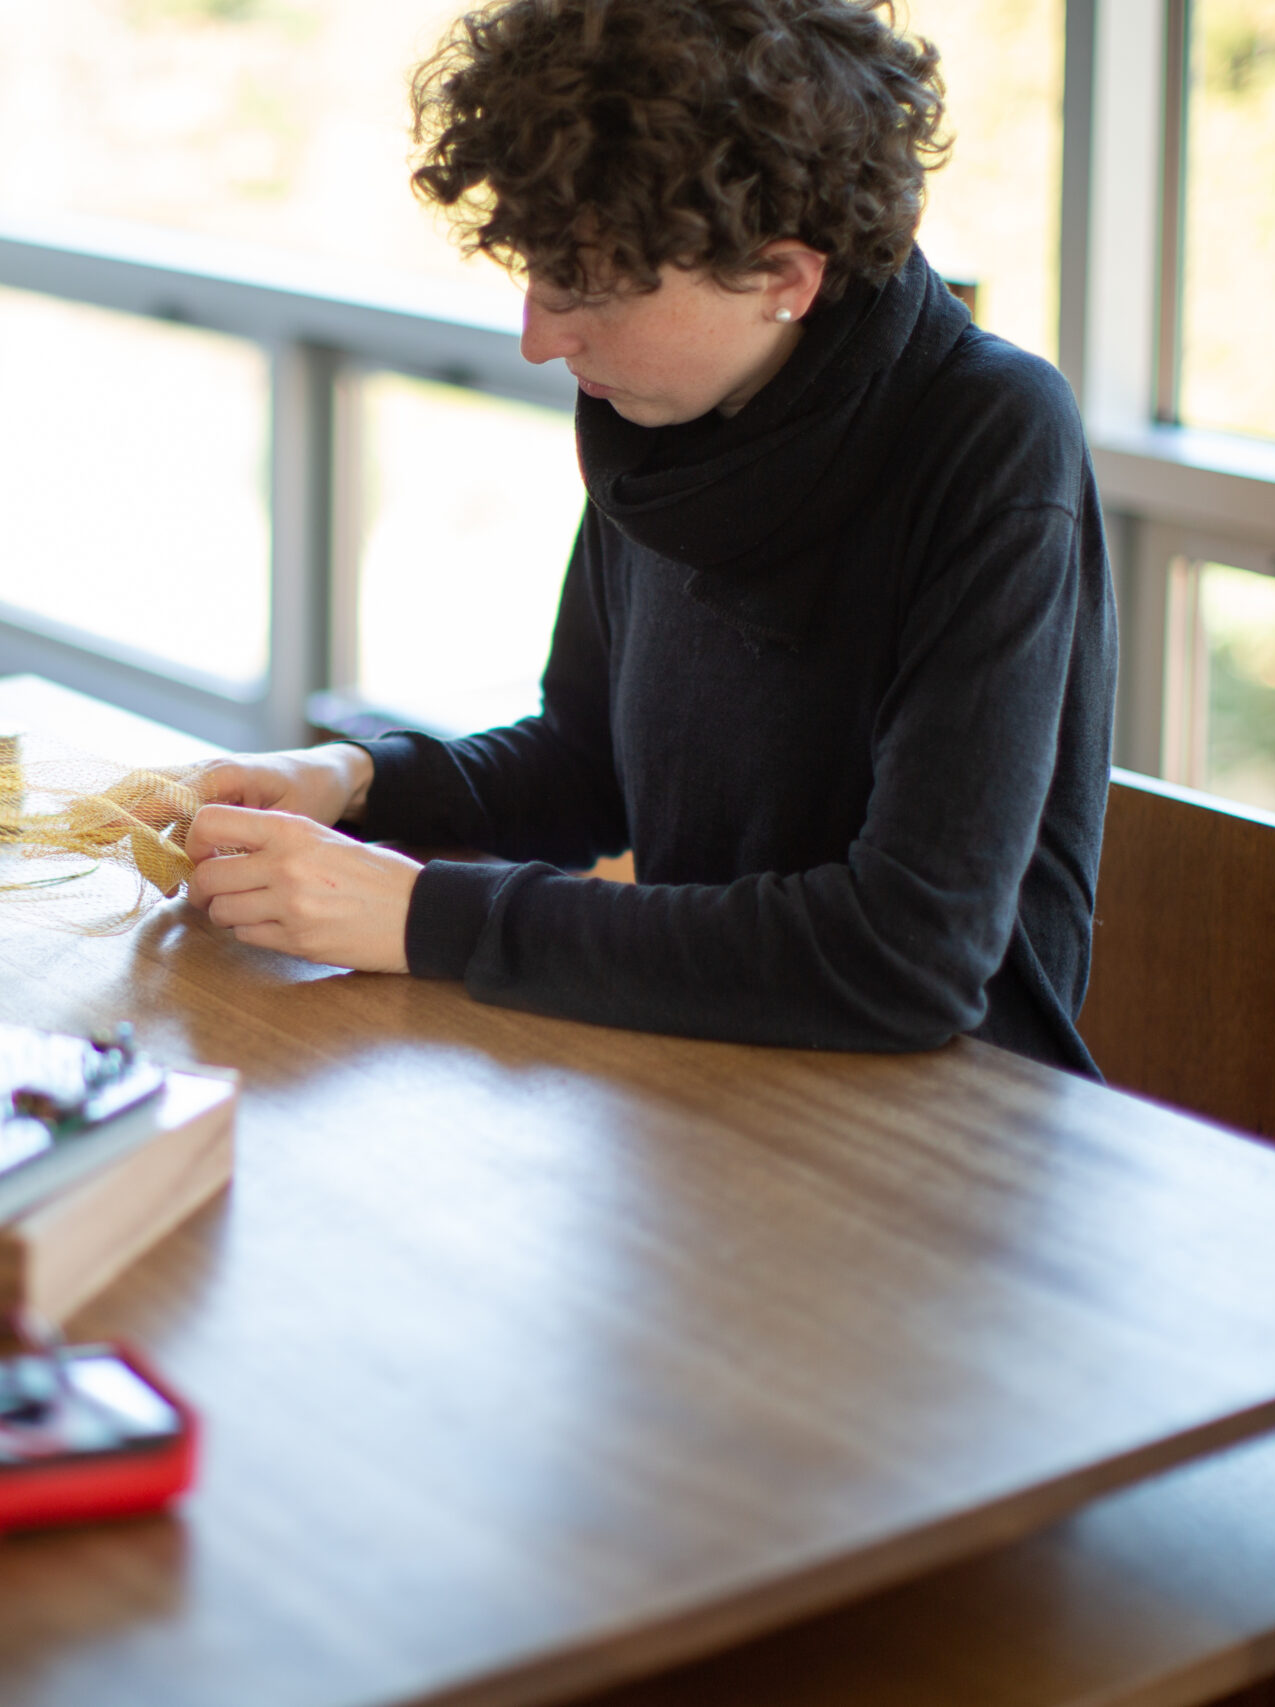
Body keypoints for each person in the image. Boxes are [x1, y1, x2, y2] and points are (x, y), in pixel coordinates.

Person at [185, 0, 1114, 1073]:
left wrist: (424, 914)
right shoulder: (659, 415)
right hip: (702, 1070)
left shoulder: (988, 432)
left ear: (783, 278)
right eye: (534, 273)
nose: (538, 339)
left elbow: (908, 955)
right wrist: (353, 782)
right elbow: (591, 768)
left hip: (946, 1118)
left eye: (589, 293)